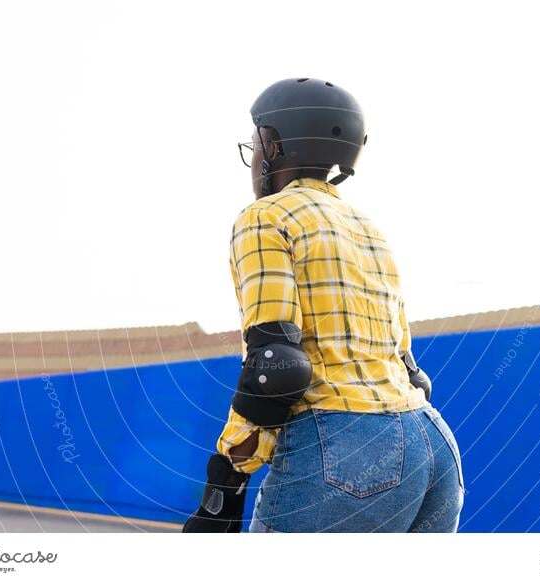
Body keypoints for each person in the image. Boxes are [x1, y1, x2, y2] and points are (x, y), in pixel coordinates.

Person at [183, 78, 464, 533]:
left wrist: (226, 483)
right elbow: (408, 366)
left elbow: (278, 367)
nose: (252, 157)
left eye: (255, 143)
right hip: (431, 446)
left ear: (275, 145)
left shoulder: (265, 216)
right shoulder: (368, 227)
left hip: (344, 448)